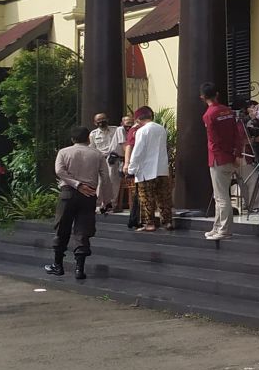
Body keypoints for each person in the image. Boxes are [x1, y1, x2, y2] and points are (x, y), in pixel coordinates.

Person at [45, 126, 111, 280]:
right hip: (89, 195)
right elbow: (105, 178)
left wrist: (76, 184)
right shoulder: (97, 154)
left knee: (62, 228)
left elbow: (59, 171)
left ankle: (58, 265)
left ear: (72, 139)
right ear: (89, 138)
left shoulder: (64, 152)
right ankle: (79, 269)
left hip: (68, 192)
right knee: (83, 231)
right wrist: (105, 201)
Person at [201, 83, 244, 241]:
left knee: (221, 197)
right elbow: (237, 134)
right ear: (217, 94)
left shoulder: (209, 114)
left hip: (218, 158)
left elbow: (213, 140)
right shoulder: (228, 111)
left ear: (203, 97)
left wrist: (219, 155)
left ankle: (224, 229)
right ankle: (217, 227)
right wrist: (237, 154)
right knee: (220, 195)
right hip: (230, 157)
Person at [126, 106, 172, 232]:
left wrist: (131, 169)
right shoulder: (161, 128)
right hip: (161, 168)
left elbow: (138, 151)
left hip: (146, 170)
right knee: (163, 197)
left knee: (146, 198)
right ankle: (167, 222)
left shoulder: (142, 131)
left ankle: (149, 223)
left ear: (138, 120)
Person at [90, 112, 126, 213]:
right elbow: (92, 149)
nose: (101, 121)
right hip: (100, 159)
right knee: (100, 182)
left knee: (113, 181)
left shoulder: (116, 130)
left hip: (114, 159)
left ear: (107, 119)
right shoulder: (93, 134)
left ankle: (112, 204)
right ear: (95, 122)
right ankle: (98, 205)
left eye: (103, 119)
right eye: (99, 120)